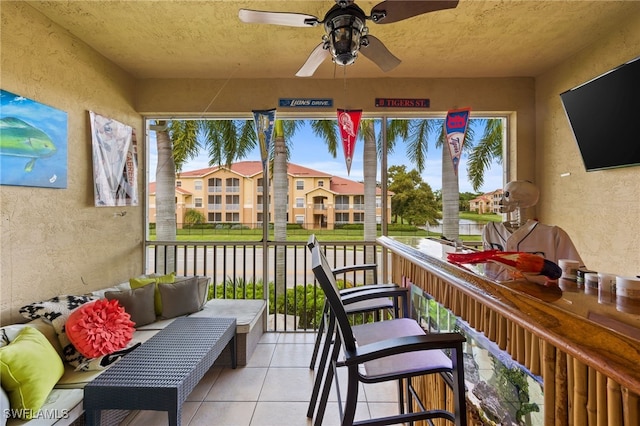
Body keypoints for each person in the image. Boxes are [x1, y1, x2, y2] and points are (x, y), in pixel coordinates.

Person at [482, 180, 584, 266]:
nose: (500, 202)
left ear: (522, 199)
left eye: (507, 195)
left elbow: (573, 273)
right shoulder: (490, 231)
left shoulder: (554, 235)